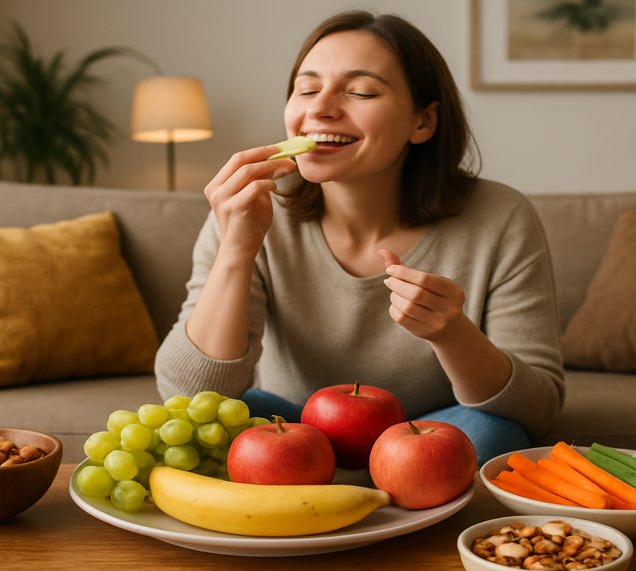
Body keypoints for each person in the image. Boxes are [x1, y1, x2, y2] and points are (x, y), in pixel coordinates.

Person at [154, 10, 564, 465]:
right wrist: (236, 250)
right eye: (306, 89)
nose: (320, 109)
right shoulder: (251, 205)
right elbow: (188, 398)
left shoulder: (501, 217)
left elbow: (538, 407)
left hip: (430, 436)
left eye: (361, 91)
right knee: (212, 429)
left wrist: (452, 333)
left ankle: (373, 482)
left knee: (490, 434)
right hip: (294, 431)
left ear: (423, 122)